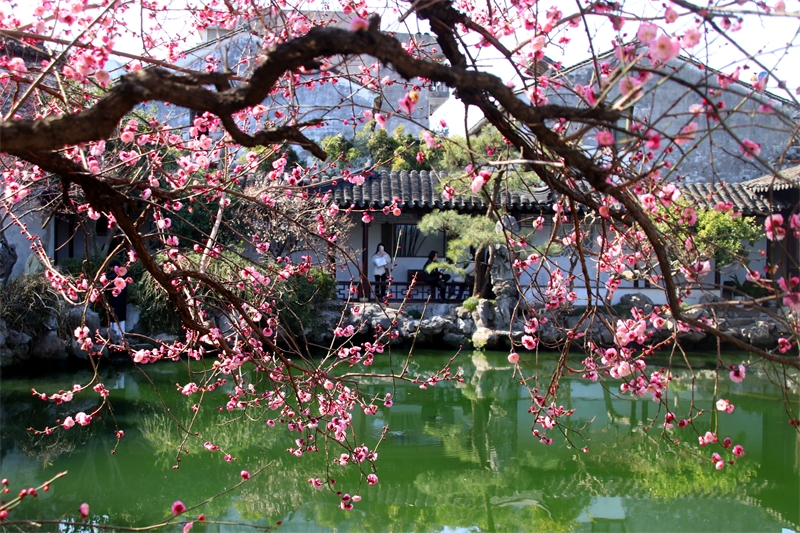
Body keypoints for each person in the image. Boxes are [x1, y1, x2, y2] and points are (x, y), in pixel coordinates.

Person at [107, 259, 128, 338]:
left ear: (113, 267)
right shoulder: (124, 276)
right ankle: (122, 336)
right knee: (121, 318)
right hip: (122, 300)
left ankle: (115, 336)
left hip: (114, 300)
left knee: (114, 317)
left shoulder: (111, 277)